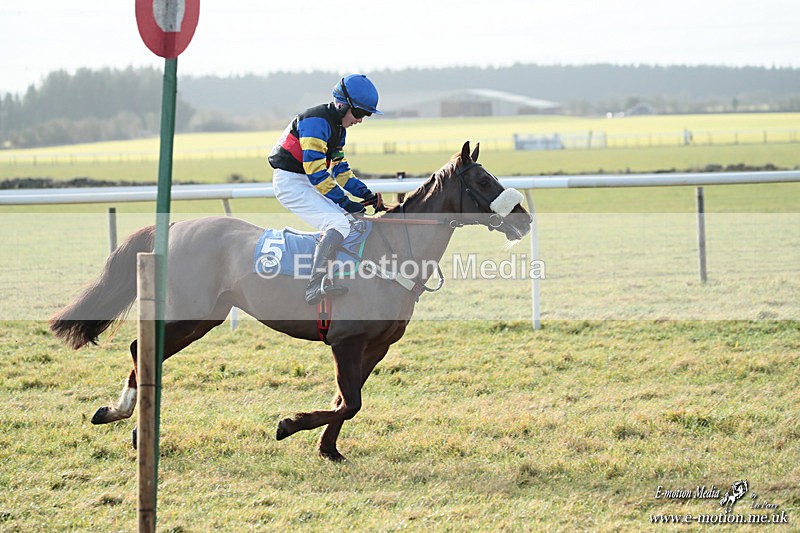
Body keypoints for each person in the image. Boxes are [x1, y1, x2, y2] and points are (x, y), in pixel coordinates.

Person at [268, 74, 384, 305]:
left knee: (350, 222)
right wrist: (347, 203)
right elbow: (318, 174)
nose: (361, 120)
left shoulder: (339, 129)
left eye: (366, 115)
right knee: (338, 222)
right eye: (359, 113)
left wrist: (365, 195)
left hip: (305, 180)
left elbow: (340, 170)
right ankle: (313, 286)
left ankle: (334, 276)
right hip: (290, 183)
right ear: (342, 106)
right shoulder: (316, 122)